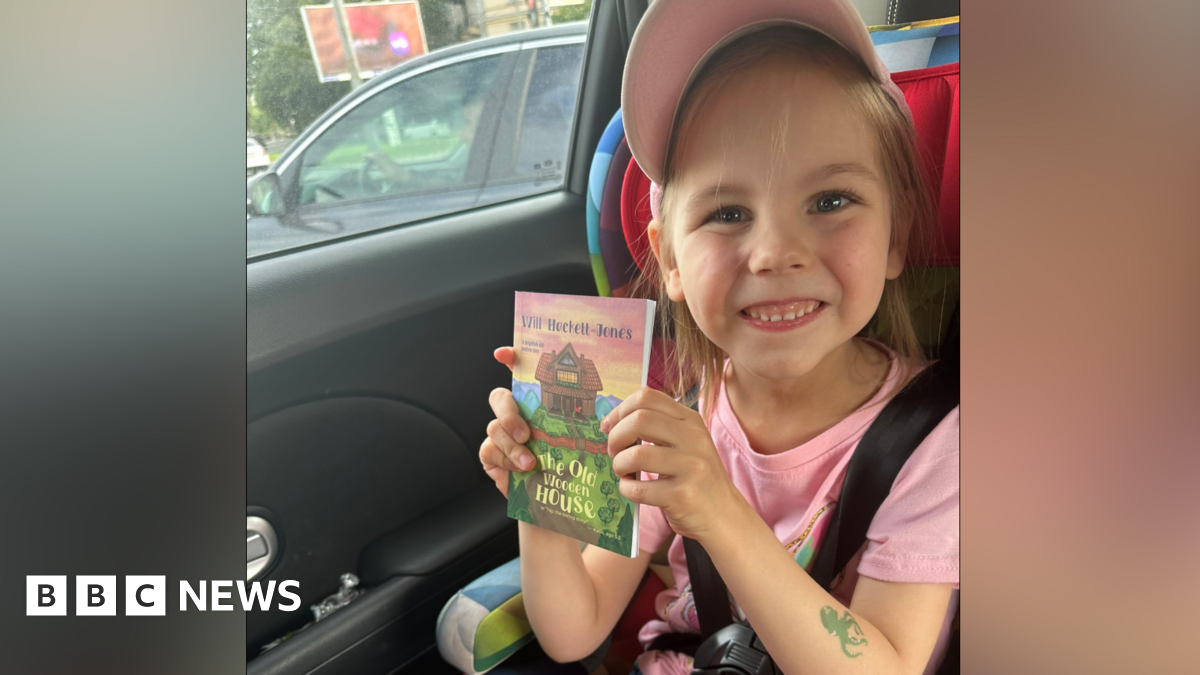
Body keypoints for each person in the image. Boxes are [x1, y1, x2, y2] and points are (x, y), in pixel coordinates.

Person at [478, 1, 959, 674]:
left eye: (830, 201)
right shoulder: (665, 420)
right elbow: (574, 628)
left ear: (896, 236)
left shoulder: (939, 443)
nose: (776, 252)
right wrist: (540, 501)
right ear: (670, 262)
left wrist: (717, 511)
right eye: (727, 212)